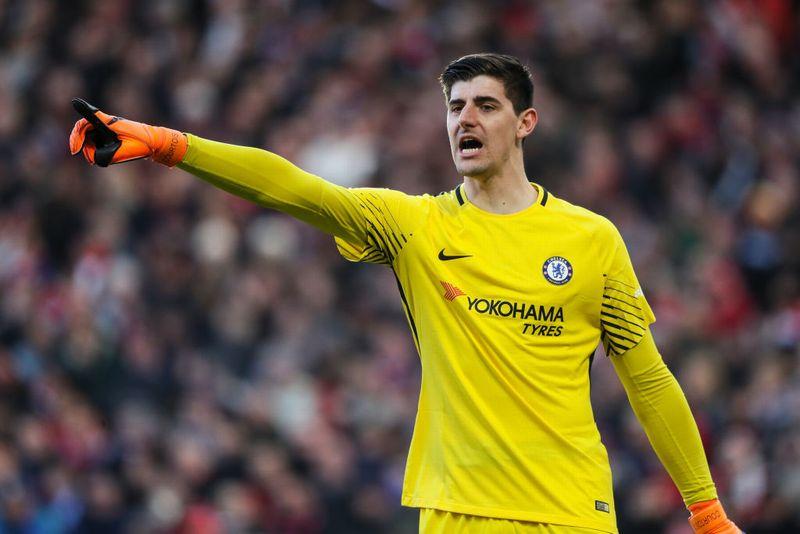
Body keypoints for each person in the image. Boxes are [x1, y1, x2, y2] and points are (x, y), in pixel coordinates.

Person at [69, 53, 741, 534]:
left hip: (572, 510)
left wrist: (705, 509)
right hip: (458, 511)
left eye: (485, 105)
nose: (465, 119)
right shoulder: (414, 226)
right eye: (455, 107)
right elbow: (296, 188)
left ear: (526, 122)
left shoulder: (592, 240)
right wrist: (168, 145)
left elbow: (647, 378)